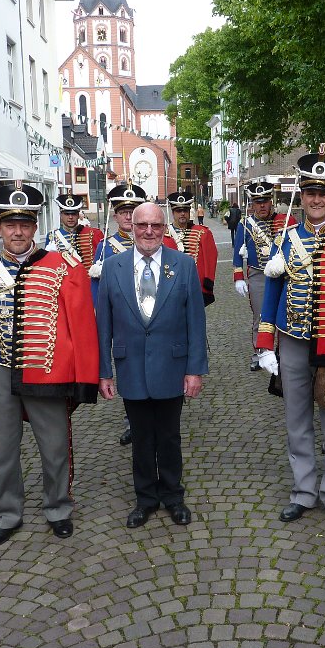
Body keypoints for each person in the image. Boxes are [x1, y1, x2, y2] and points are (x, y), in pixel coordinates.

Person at [0, 182, 99, 549]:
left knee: (54, 444)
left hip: (46, 370)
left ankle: (58, 508)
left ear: (35, 226)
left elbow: (82, 325)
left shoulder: (62, 266)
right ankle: (7, 513)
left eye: (25, 224)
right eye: (9, 225)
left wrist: (84, 378)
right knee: (3, 447)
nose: (17, 232)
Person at [255, 147, 325, 529]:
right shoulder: (286, 239)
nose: (316, 200)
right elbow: (271, 294)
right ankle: (302, 491)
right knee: (297, 419)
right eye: (310, 193)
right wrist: (265, 344)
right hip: (294, 340)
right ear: (301, 196)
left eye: (324, 194)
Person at [96, 202, 209, 528]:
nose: (148, 231)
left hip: (172, 366)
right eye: (142, 225)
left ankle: (173, 496)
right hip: (130, 367)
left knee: (170, 437)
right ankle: (145, 498)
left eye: (156, 226)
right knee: (141, 439)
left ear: (164, 228)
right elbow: (103, 324)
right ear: (131, 227)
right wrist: (104, 371)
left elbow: (196, 322)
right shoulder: (112, 266)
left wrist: (194, 370)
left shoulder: (183, 264)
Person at [89, 181, 177, 446]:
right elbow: (99, 291)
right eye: (123, 211)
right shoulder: (105, 247)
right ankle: (134, 421)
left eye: (132, 210)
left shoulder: (163, 242)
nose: (128, 216)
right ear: (115, 215)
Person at [233, 181, 297, 371]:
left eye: (265, 201)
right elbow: (237, 252)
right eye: (257, 202)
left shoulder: (286, 221)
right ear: (252, 204)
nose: (261, 206)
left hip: (284, 274)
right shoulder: (245, 224)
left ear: (271, 202)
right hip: (258, 275)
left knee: (287, 312)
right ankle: (260, 352)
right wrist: (238, 277)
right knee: (260, 316)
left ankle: (284, 352)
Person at [167, 190, 218, 306]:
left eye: (185, 210)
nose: (182, 214)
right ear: (173, 212)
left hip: (196, 285)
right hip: (171, 287)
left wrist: (208, 282)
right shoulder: (164, 234)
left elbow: (211, 257)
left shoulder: (202, 232)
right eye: (178, 211)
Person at [45, 193, 105, 269]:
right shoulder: (52, 236)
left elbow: (102, 258)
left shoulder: (94, 233)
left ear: (78, 215)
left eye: (74, 214)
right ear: (61, 215)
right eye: (67, 214)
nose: (70, 217)